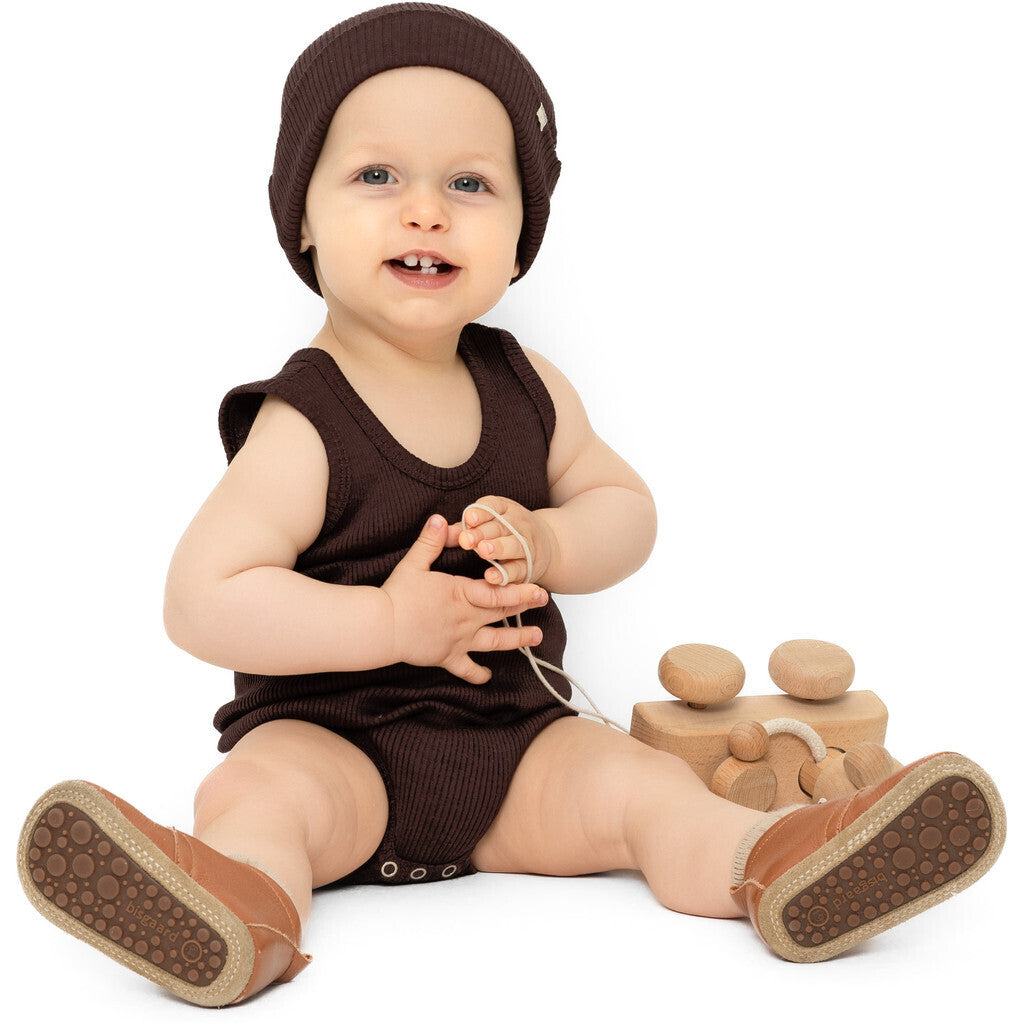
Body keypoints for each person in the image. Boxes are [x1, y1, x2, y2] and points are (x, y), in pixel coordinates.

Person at [17, 3, 1005, 1007]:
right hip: (333, 746)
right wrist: (387, 623)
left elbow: (626, 507)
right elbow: (200, 600)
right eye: (377, 175)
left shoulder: (527, 389)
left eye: (470, 184)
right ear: (302, 218)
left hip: (518, 748)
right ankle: (243, 911)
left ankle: (776, 859)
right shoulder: (306, 422)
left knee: (645, 788)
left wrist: (552, 539)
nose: (425, 211)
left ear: (521, 238)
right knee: (260, 796)